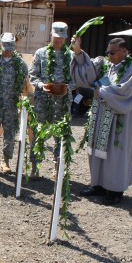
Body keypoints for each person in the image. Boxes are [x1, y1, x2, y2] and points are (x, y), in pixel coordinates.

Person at [71, 37, 132, 205]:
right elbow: (88, 74)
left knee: (115, 152)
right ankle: (99, 184)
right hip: (101, 114)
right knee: (97, 148)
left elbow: (125, 91)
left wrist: (101, 90)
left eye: (113, 52)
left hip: (119, 118)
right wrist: (78, 52)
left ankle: (115, 190)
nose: (109, 55)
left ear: (125, 51)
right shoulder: (106, 65)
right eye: (107, 52)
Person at [28, 21, 75, 179]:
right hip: (43, 101)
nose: (59, 41)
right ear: (51, 35)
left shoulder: (71, 55)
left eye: (62, 38)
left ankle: (58, 168)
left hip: (62, 102)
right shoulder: (41, 53)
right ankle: (35, 167)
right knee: (39, 133)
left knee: (61, 135)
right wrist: (42, 86)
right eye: (56, 37)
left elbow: (77, 80)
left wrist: (67, 88)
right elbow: (33, 76)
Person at [0, 33, 28, 174]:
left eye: (10, 47)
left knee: (10, 132)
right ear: (0, 45)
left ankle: (6, 161)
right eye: (5, 47)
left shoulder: (20, 64)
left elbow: (23, 82)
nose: (8, 50)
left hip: (11, 104)